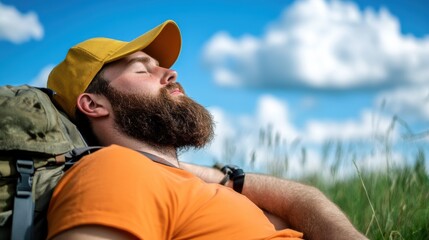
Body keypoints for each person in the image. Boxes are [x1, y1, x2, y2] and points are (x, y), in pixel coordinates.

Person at [46, 20, 367, 240]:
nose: (170, 73)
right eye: (142, 68)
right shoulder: (116, 170)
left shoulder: (180, 181)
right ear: (93, 105)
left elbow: (304, 201)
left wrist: (215, 175)